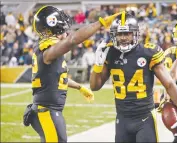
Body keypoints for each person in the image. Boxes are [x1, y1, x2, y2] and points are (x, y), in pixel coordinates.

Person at [23, 5, 121, 142]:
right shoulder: (48, 50)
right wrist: (100, 23)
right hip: (46, 111)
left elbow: (56, 78)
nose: (66, 34)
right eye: (63, 30)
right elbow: (73, 40)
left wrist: (80, 87)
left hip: (48, 110)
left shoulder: (47, 51)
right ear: (53, 29)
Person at [90, 12, 177, 142]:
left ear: (135, 33)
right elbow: (94, 86)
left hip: (144, 118)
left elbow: (169, 84)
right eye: (120, 34)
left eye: (127, 33)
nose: (123, 37)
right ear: (114, 34)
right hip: (122, 119)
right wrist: (97, 65)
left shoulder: (148, 52)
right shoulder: (110, 53)